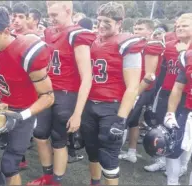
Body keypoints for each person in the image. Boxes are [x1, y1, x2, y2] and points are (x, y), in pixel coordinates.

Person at [0, 7, 54, 185]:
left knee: (10, 165)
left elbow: (48, 97)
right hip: (0, 106)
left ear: (6, 31)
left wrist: (20, 116)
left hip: (23, 110)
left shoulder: (27, 52)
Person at [28, 2, 96, 186]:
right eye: (49, 14)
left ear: (68, 11)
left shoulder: (77, 34)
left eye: (55, 14)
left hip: (67, 94)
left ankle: (56, 181)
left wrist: (77, 114)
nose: (51, 18)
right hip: (47, 91)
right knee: (39, 134)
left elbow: (87, 77)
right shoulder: (50, 32)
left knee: (59, 140)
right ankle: (48, 175)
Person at [80, 2, 145, 185]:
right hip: (90, 104)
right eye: (99, 20)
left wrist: (121, 119)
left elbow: (132, 86)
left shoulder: (127, 43)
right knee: (92, 151)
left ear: (119, 22)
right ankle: (95, 182)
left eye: (107, 22)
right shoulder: (92, 40)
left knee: (108, 157)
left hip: (112, 106)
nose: (101, 25)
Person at [119, 18, 165, 163]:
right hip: (137, 87)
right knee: (134, 122)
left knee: (124, 119)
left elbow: (149, 76)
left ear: (150, 31)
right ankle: (131, 151)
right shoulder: (138, 44)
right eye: (135, 29)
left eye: (140, 29)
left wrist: (135, 94)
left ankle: (114, 150)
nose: (136, 31)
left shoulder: (151, 46)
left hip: (142, 89)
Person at [163, 13, 192, 185]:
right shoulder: (181, 51)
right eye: (178, 25)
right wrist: (170, 113)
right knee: (173, 146)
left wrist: (184, 55)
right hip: (187, 107)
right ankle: (172, 181)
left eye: (185, 25)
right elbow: (179, 85)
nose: (180, 28)